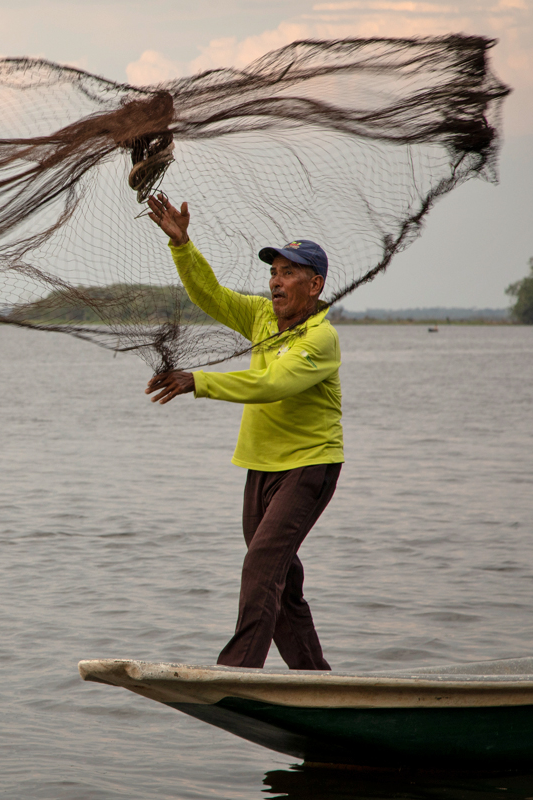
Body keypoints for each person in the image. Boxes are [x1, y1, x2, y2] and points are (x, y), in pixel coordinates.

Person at [143, 192, 343, 671]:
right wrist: (182, 245)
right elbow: (209, 295)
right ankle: (317, 684)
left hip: (308, 468)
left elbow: (273, 383)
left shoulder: (320, 338)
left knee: (260, 568)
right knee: (280, 584)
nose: (276, 281)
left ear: (314, 285)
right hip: (260, 469)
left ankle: (236, 672)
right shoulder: (259, 317)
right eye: (273, 272)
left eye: (288, 272)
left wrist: (199, 381)